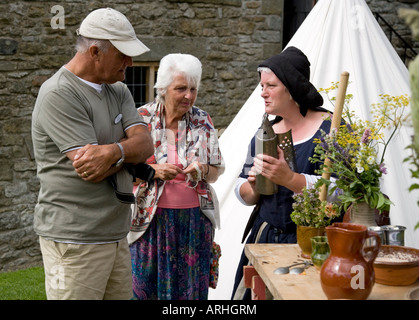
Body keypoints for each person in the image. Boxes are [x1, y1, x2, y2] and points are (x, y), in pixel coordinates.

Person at [31, 8, 154, 300]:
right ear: (96, 51)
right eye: (123, 54)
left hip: (114, 235)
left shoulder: (119, 89)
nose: (131, 62)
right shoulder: (59, 94)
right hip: (75, 241)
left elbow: (147, 145)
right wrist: (128, 152)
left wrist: (113, 151)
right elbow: (92, 170)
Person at [231, 46, 335, 300]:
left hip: (314, 246)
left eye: (270, 86)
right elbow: (242, 189)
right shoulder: (267, 131)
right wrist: (254, 186)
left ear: (292, 88)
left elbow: (345, 193)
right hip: (264, 242)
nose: (262, 93)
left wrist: (289, 179)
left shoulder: (331, 129)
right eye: (262, 86)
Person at [128, 53, 224, 300]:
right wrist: (153, 171)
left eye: (193, 89)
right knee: (145, 288)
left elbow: (216, 170)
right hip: (149, 222)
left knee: (189, 292)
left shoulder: (202, 120)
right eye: (181, 88)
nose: (189, 96)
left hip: (195, 221)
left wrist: (202, 169)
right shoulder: (141, 119)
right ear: (163, 88)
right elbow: (122, 171)